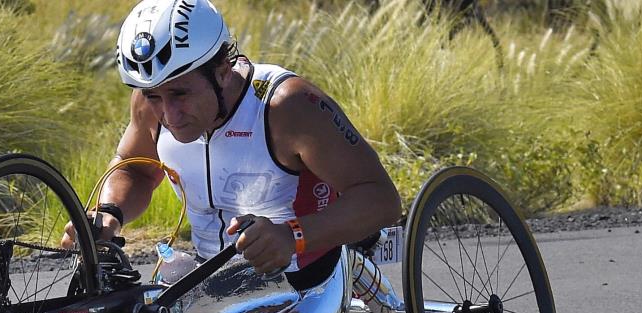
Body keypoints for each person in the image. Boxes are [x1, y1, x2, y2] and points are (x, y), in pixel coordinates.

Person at [62, 0, 401, 287]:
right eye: (154, 96)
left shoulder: (288, 105)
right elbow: (135, 169)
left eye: (180, 93)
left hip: (303, 271)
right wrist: (109, 214)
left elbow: (382, 200)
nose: (169, 114)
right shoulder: (149, 101)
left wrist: (291, 236)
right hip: (212, 276)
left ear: (223, 69)